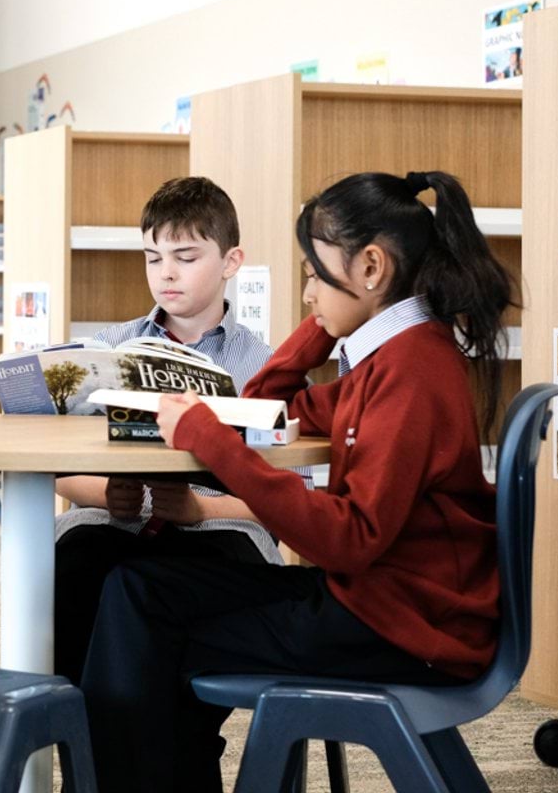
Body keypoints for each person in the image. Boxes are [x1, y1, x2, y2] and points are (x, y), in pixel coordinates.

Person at [80, 170, 513, 793]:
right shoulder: (388, 357)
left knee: (142, 617)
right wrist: (319, 332)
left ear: (370, 268)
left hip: (400, 627)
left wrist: (206, 437)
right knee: (135, 589)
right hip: (385, 606)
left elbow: (348, 540)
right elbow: (260, 407)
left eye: (313, 272)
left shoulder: (410, 372)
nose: (307, 291)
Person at [52, 176, 279, 684]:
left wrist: (202, 508)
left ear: (231, 262)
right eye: (153, 258)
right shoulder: (110, 347)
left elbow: (298, 495)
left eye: (186, 257)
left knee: (167, 594)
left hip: (220, 526)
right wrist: (108, 494)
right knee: (68, 570)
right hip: (111, 519)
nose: (166, 273)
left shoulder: (265, 366)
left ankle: (178, 745)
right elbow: (57, 472)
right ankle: (81, 737)